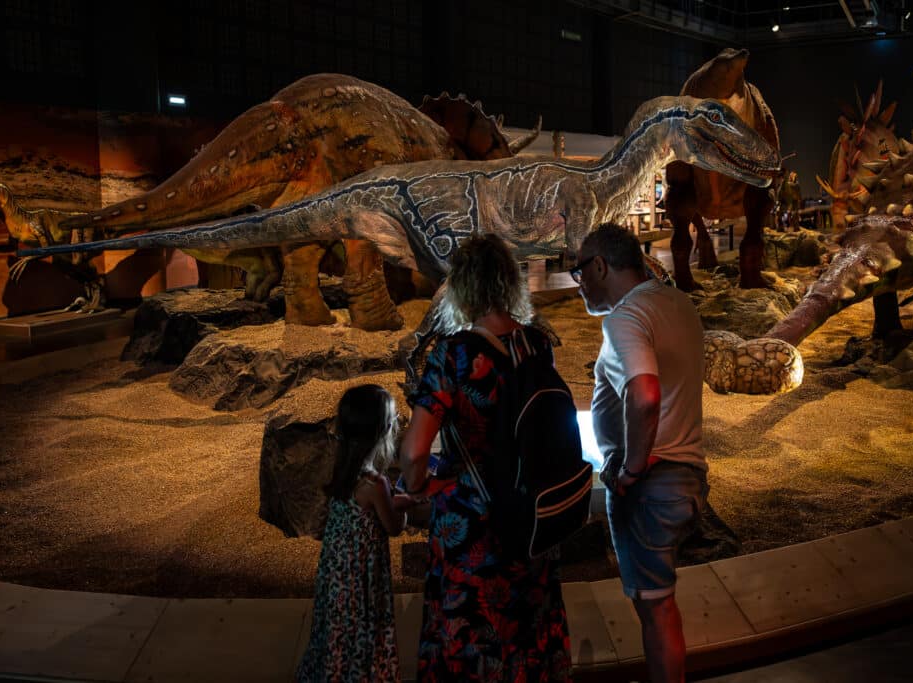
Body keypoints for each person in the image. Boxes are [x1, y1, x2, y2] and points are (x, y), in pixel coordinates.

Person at [400, 234, 572, 681]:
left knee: (471, 631)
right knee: (527, 628)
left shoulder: (452, 355)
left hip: (472, 522)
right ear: (507, 284)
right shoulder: (537, 344)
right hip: (531, 512)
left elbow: (415, 450)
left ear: (462, 289)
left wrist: (418, 486)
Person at [571, 223, 708, 683]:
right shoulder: (678, 304)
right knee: (661, 604)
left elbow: (645, 394)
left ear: (600, 266)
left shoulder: (625, 318)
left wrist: (630, 470)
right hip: (688, 475)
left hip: (650, 485)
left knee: (655, 612)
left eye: (579, 272)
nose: (579, 284)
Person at [297, 384, 413, 683]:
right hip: (363, 583)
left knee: (337, 635)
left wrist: (395, 500)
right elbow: (393, 526)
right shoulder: (376, 483)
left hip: (337, 580)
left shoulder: (345, 469)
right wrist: (408, 506)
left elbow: (367, 507)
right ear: (384, 430)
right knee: (364, 633)